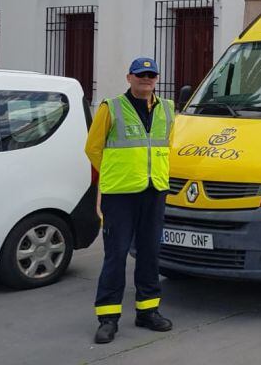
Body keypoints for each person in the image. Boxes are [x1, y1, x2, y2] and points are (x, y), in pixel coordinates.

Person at [85, 57, 175, 344]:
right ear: (129, 78)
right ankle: (108, 318)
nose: (145, 79)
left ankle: (148, 311)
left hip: (154, 191)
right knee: (116, 255)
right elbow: (93, 148)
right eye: (140, 75)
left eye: (151, 75)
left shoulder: (167, 108)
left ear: (156, 79)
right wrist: (117, 173)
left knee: (149, 253)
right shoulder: (110, 108)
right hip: (120, 195)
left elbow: (168, 146)